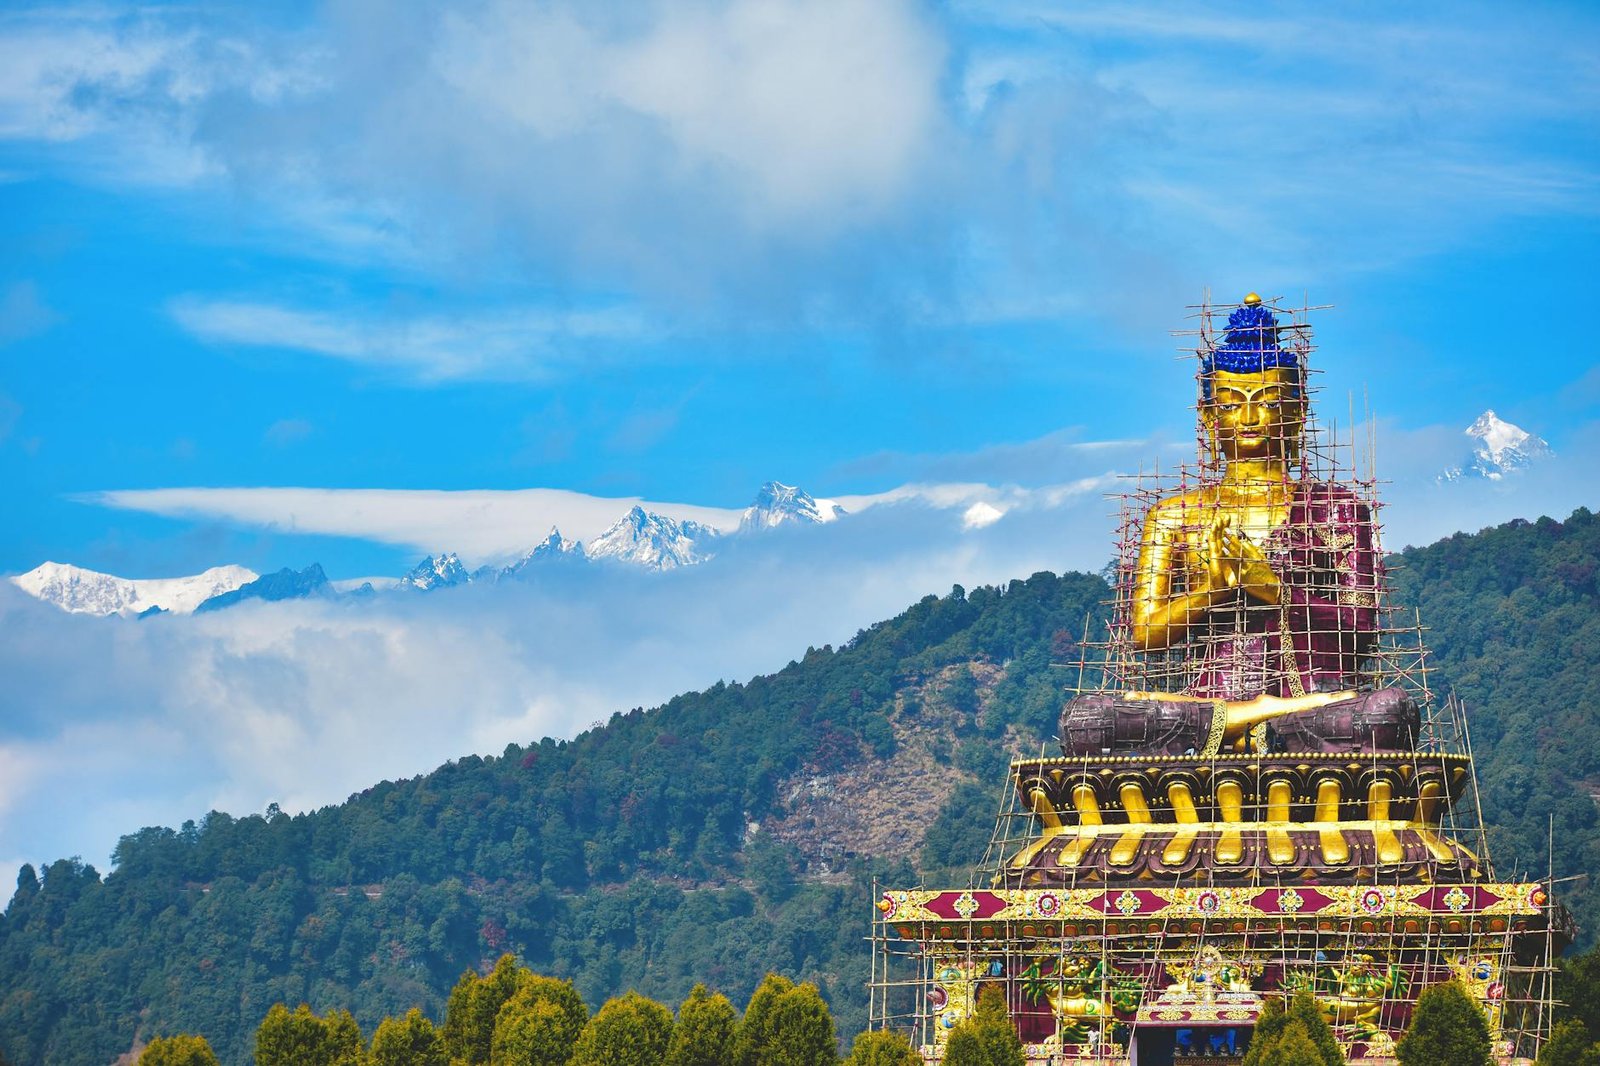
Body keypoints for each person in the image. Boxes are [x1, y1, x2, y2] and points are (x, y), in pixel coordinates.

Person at [1061, 295, 1416, 756]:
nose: (1249, 418)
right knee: (1086, 719)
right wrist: (1213, 591)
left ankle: (1251, 723)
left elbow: (1361, 628)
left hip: (1313, 700)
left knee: (1388, 712)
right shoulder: (1174, 516)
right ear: (1210, 417)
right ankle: (1245, 720)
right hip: (1207, 698)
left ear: (1296, 412)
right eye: (1232, 404)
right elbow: (1145, 635)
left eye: (1266, 402)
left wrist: (1272, 589)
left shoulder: (1336, 509)